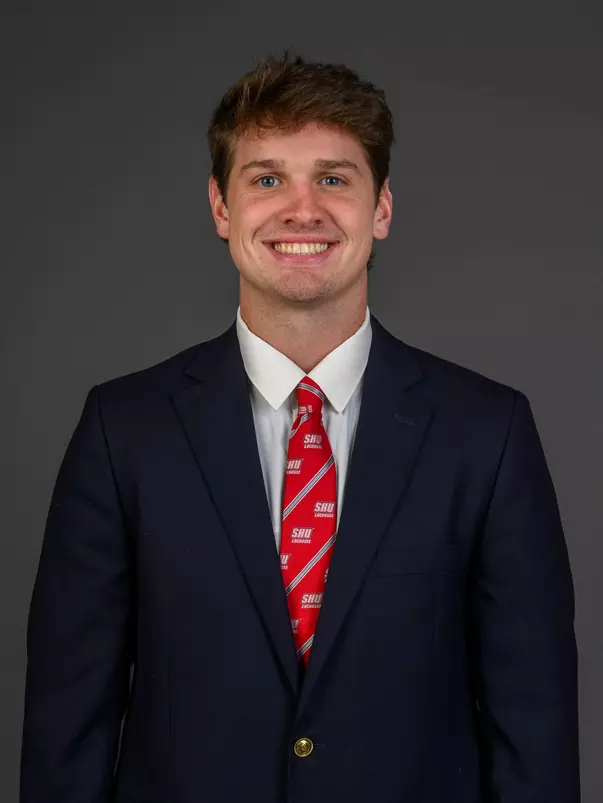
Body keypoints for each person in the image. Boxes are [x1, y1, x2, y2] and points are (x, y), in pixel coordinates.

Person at [20, 53, 580, 803]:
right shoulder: (124, 430)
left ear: (380, 208)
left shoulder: (487, 431)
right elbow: (68, 726)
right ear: (221, 208)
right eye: (267, 179)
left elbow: (533, 728)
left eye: (334, 178)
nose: (302, 210)